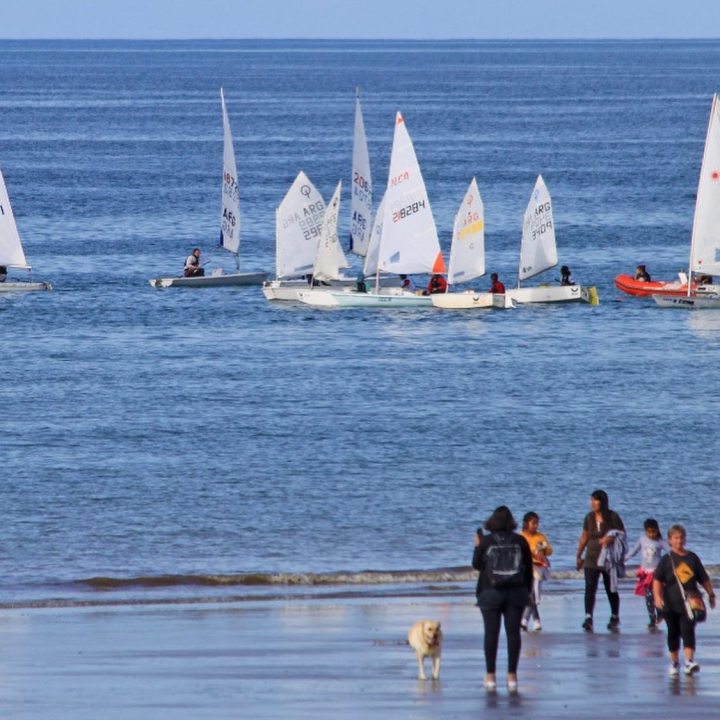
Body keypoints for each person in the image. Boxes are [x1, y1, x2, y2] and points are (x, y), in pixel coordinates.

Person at [472, 506, 533, 693]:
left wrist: (477, 546)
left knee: (491, 634)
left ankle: (490, 676)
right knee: (513, 634)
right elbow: (528, 570)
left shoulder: (487, 541)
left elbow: (477, 565)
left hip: (490, 592)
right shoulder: (520, 540)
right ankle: (512, 676)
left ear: (492, 522)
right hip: (516, 593)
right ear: (511, 522)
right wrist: (528, 592)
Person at [653, 524, 716, 677]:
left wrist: (711, 594)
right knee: (673, 633)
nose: (679, 541)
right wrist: (657, 597)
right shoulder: (666, 560)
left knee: (688, 630)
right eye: (676, 538)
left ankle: (689, 662)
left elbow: (704, 578)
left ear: (685, 539)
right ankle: (674, 662)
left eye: (681, 538)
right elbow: (657, 580)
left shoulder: (692, 558)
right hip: (669, 603)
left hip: (690, 603)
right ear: (669, 540)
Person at [576, 489, 626, 632]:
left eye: (595, 500)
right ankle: (588, 617)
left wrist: (609, 538)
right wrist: (578, 555)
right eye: (591, 500)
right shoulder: (589, 517)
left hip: (608, 557)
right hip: (591, 557)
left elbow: (622, 535)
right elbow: (584, 536)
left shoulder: (613, 516)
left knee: (610, 588)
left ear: (602, 502)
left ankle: (615, 616)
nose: (592, 503)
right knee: (590, 587)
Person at [626, 518, 666, 630]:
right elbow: (634, 551)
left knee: (657, 594)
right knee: (648, 596)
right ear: (645, 531)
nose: (651, 534)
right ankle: (652, 619)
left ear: (657, 530)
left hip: (657, 573)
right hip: (645, 573)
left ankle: (660, 613)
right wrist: (624, 558)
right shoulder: (642, 539)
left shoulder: (660, 541)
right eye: (649, 532)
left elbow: (671, 552)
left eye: (654, 532)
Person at [520, 511, 553, 632]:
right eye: (533, 523)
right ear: (526, 523)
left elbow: (549, 550)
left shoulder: (540, 537)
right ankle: (534, 621)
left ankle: (526, 620)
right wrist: (532, 553)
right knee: (530, 595)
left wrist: (542, 551)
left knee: (533, 595)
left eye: (537, 523)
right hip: (524, 569)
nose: (536, 526)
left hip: (537, 569)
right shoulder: (521, 537)